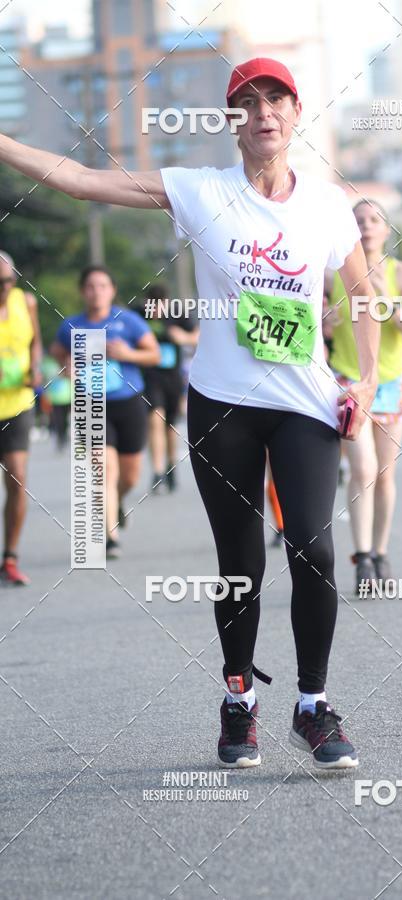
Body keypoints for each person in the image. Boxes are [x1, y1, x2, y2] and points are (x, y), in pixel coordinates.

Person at [0, 56, 380, 770]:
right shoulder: (201, 191)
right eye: (249, 102)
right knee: (238, 564)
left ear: (297, 114)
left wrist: (361, 378)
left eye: (277, 100)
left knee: (314, 547)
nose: (264, 113)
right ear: (231, 120)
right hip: (222, 407)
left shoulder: (329, 204)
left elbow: (361, 295)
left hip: (303, 403)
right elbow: (81, 181)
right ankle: (238, 702)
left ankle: (313, 706)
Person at [326, 200, 402, 594]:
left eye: (374, 220)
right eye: (358, 221)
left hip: (392, 382)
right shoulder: (332, 272)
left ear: (387, 230)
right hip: (350, 382)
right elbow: (311, 328)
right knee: (362, 470)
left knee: (385, 476)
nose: (366, 227)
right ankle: (363, 557)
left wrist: (388, 302)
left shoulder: (401, 273)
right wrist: (326, 322)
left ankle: (381, 551)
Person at [50, 267, 160, 558]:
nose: (96, 291)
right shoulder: (71, 325)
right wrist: (66, 367)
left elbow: (154, 354)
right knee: (103, 468)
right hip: (91, 403)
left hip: (129, 402)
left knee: (129, 476)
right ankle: (110, 536)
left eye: (102, 286)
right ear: (82, 291)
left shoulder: (129, 322)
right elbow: (58, 352)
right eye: (90, 286)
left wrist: (128, 355)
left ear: (112, 290)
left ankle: (119, 501)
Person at [0, 251, 43, 584]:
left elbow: (36, 342)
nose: (4, 287)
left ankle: (10, 558)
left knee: (17, 478)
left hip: (17, 404)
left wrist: (34, 368)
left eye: (9, 281)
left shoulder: (25, 301)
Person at [142, 282, 199, 492]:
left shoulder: (178, 314)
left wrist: (182, 337)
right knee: (155, 420)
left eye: (160, 305)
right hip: (150, 377)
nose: (156, 310)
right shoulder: (140, 316)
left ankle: (170, 465)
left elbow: (197, 336)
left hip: (173, 377)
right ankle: (157, 472)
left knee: (170, 426)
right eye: (152, 305)